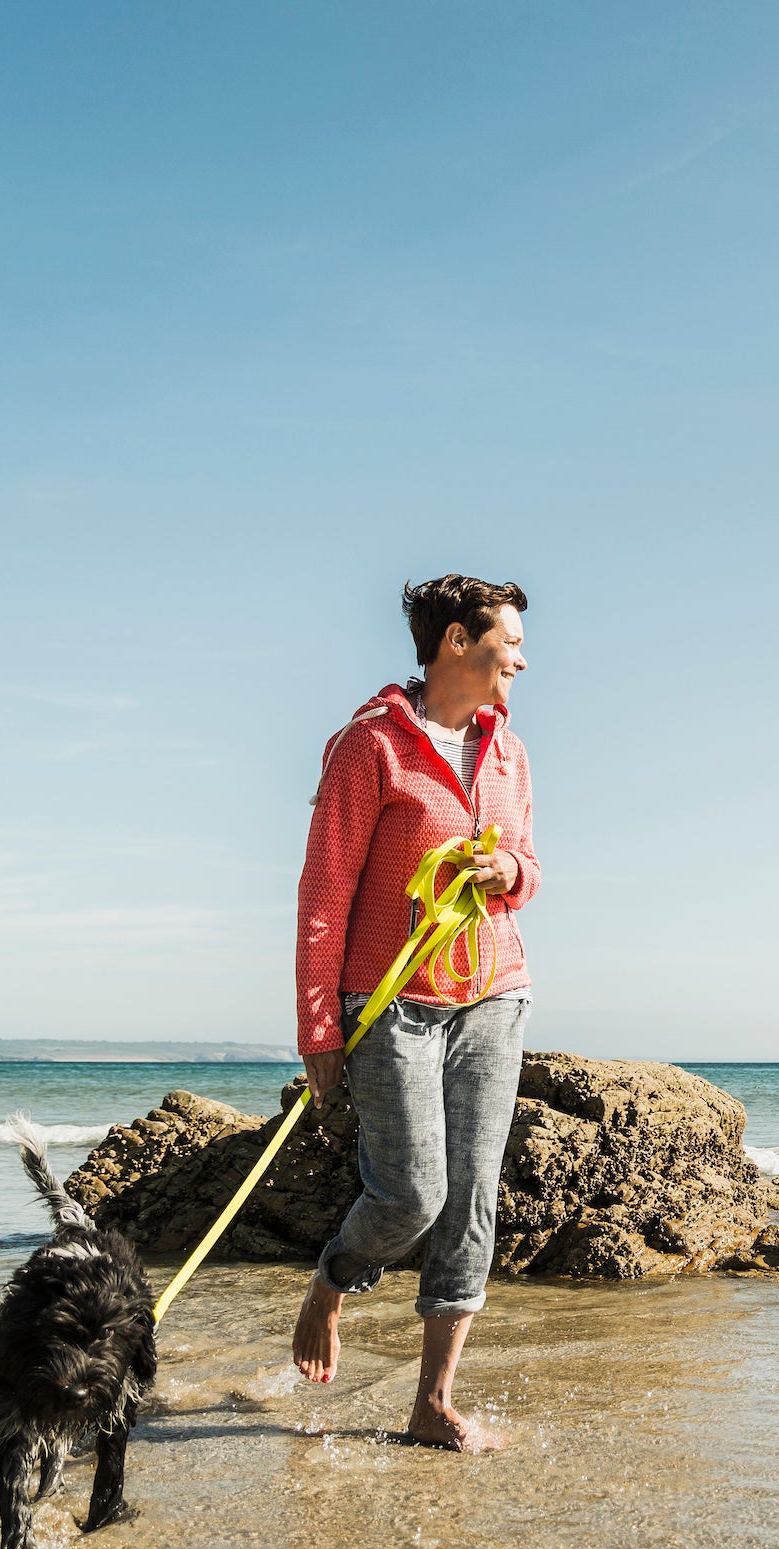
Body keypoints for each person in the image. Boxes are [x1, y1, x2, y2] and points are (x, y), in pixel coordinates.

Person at [289, 574, 538, 1451]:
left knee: (472, 1202)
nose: (520, 655)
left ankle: (432, 1403)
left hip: (494, 995)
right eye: (508, 639)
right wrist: (318, 1026)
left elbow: (531, 865)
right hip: (392, 1004)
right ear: (457, 643)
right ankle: (332, 1280)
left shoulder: (508, 752)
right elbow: (325, 891)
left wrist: (510, 874)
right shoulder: (369, 747)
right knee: (413, 1194)